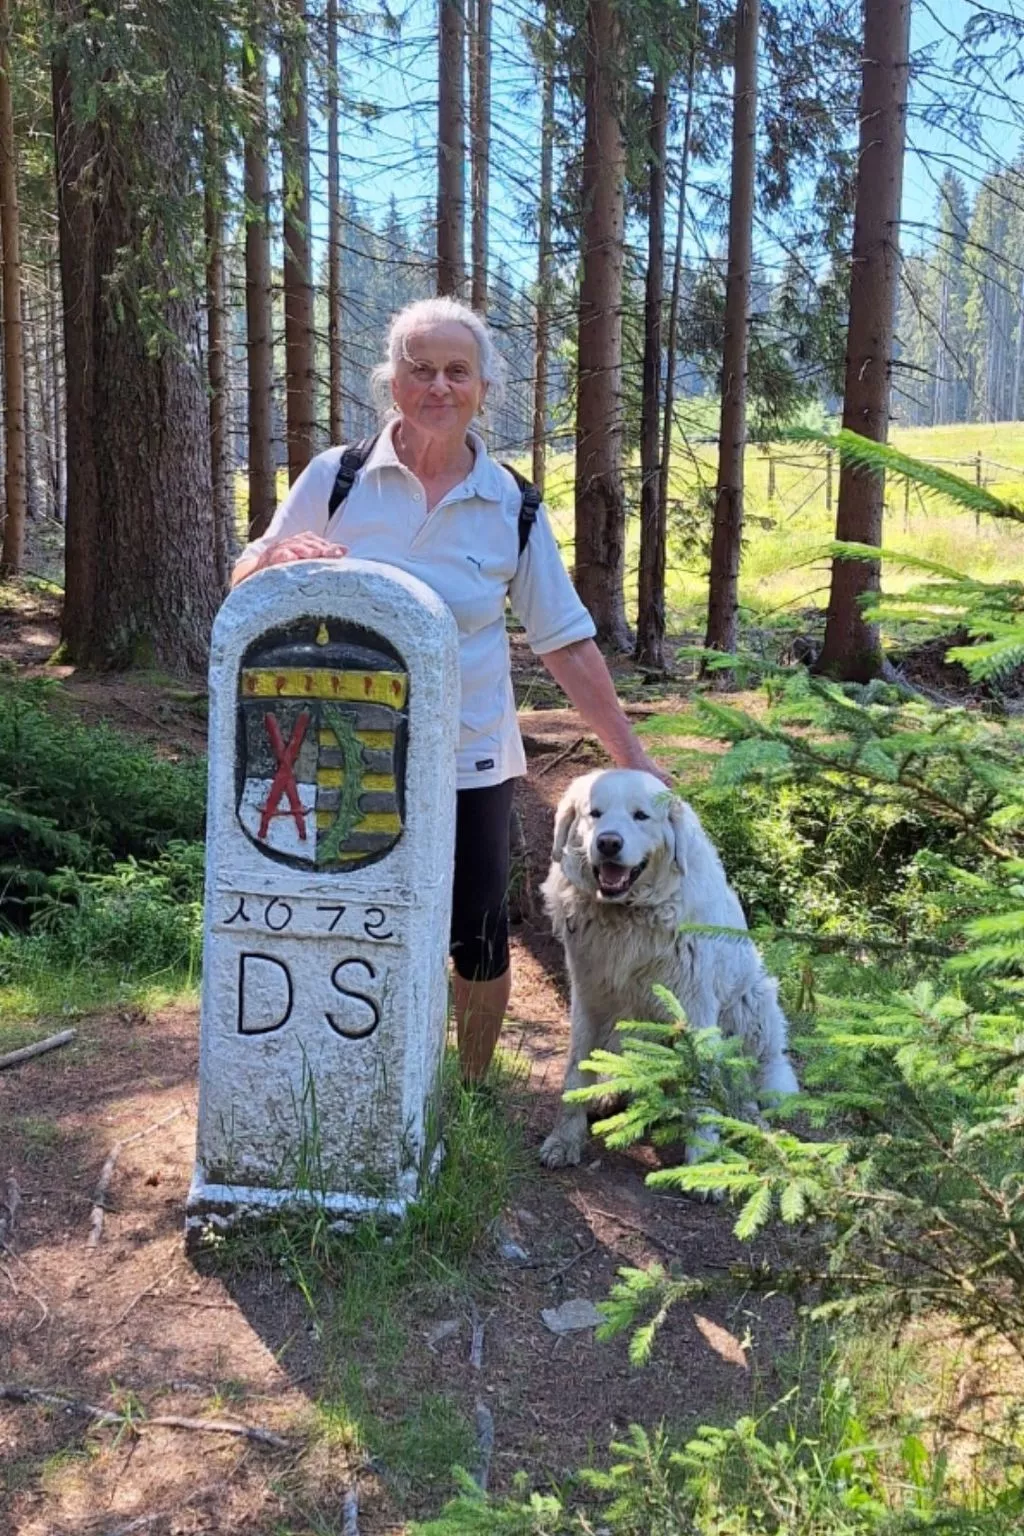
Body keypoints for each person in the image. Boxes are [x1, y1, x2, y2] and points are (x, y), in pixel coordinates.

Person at [231, 296, 664, 1085]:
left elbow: (565, 639)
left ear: (483, 389)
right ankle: (347, 1078)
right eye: (420, 369)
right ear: (392, 383)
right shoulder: (338, 477)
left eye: (457, 371)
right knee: (347, 912)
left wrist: (632, 756)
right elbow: (247, 578)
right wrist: (271, 561)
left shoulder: (511, 504)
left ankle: (466, 1091)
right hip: (341, 748)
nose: (439, 386)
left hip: (470, 756)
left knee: (478, 931)